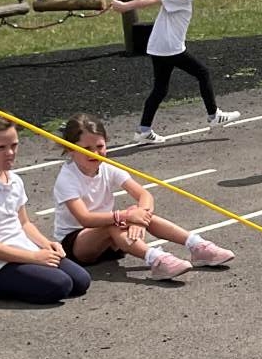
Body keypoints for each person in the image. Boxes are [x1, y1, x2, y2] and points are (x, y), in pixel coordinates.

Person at [52, 112, 236, 279]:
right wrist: (126, 216)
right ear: (70, 149)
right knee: (116, 222)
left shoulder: (108, 168)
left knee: (139, 213)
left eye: (100, 146)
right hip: (77, 245)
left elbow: (144, 195)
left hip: (110, 241)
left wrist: (139, 218)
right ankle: (156, 259)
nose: (95, 153)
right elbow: (85, 218)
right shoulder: (67, 179)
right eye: (86, 148)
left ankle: (197, 246)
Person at [0, 112, 91, 304]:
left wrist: (46, 245)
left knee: (81, 281)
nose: (10, 153)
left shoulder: (14, 180)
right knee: (60, 286)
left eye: (14, 145)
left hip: (22, 249)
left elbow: (24, 223)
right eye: (1, 148)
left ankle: (24, 278)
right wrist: (34, 257)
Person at [109, 0, 242, 144]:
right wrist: (125, 7)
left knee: (160, 90)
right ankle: (214, 115)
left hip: (160, 47)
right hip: (170, 49)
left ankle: (143, 131)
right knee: (202, 73)